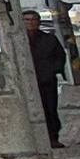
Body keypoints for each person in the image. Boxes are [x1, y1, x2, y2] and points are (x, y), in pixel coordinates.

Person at [27, 18, 66, 148]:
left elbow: (60, 56)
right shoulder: (16, 40)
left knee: (50, 109)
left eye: (33, 20)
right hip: (26, 82)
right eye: (26, 20)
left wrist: (53, 70)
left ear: (39, 22)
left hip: (47, 81)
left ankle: (53, 137)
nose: (30, 22)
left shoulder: (49, 39)